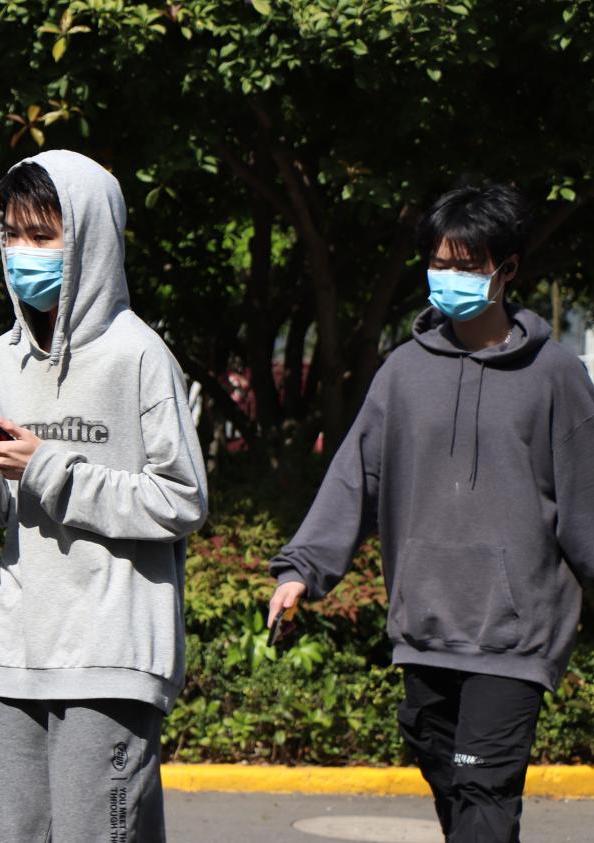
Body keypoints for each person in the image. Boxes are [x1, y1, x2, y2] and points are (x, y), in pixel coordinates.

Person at [267, 183, 594, 843]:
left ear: (507, 269)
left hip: (514, 635)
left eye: (466, 265)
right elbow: (354, 479)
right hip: (422, 625)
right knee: (456, 791)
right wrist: (301, 569)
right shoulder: (402, 372)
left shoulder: (554, 375)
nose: (448, 277)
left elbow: (585, 501)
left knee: (482, 791)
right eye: (439, 263)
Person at [0, 150, 208, 843]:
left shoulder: (139, 355)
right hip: (11, 652)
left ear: (89, 237)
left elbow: (181, 500)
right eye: (12, 235)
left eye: (42, 235)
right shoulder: (2, 358)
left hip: (111, 656)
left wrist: (50, 469)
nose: (23, 252)